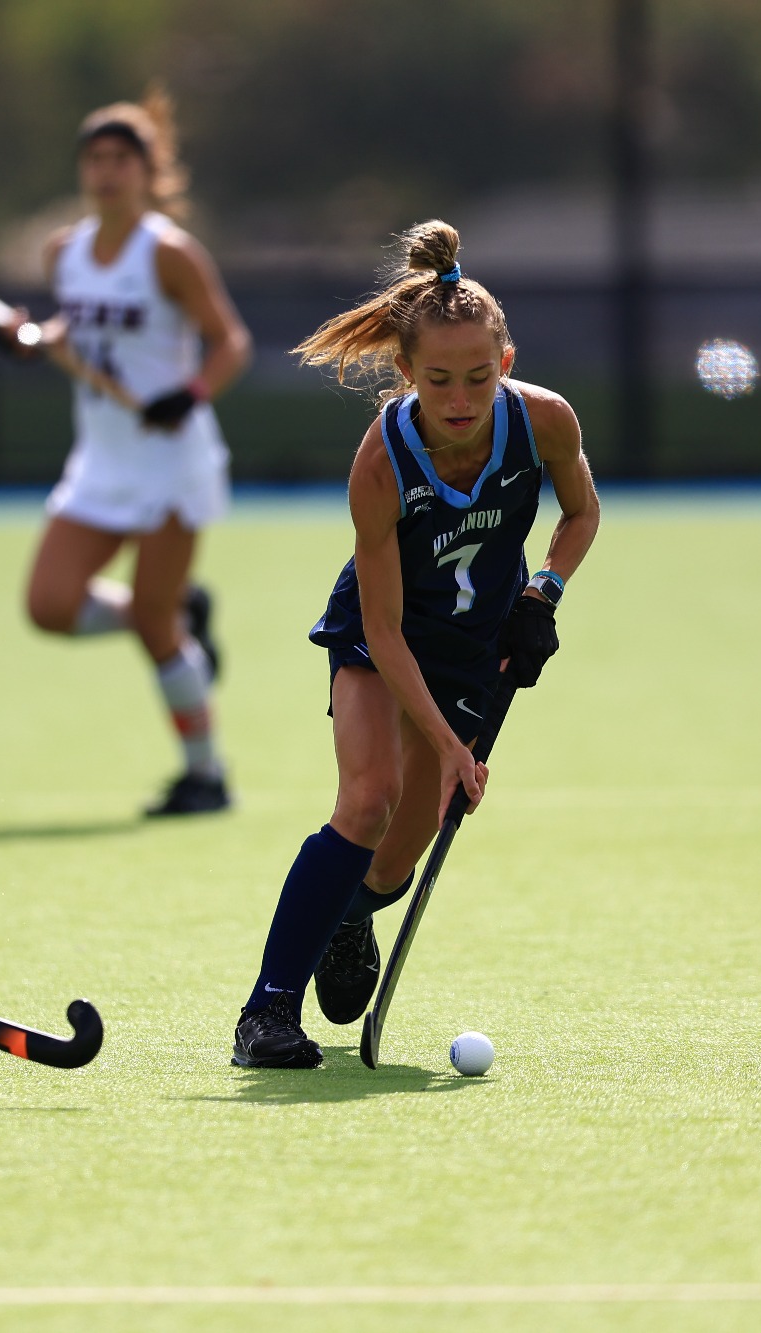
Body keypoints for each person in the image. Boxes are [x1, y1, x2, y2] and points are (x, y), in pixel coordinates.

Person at [230, 221, 601, 1068]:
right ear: (406, 374)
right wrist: (450, 743)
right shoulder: (381, 465)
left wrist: (545, 590)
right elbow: (387, 632)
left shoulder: (544, 422)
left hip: (475, 642)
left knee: (398, 856)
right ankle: (266, 1013)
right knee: (369, 797)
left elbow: (581, 513)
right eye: (438, 379)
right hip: (382, 633)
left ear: (505, 364)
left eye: (478, 376)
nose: (460, 397)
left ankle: (348, 916)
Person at [8, 86, 253, 817]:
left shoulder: (169, 254)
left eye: (121, 159)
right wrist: (32, 340)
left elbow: (230, 342)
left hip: (172, 460)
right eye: (95, 159)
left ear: (148, 172)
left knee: (153, 627)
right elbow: (70, 331)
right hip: (102, 460)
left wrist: (192, 392)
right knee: (49, 604)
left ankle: (206, 774)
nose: (106, 172)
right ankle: (179, 612)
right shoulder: (64, 251)